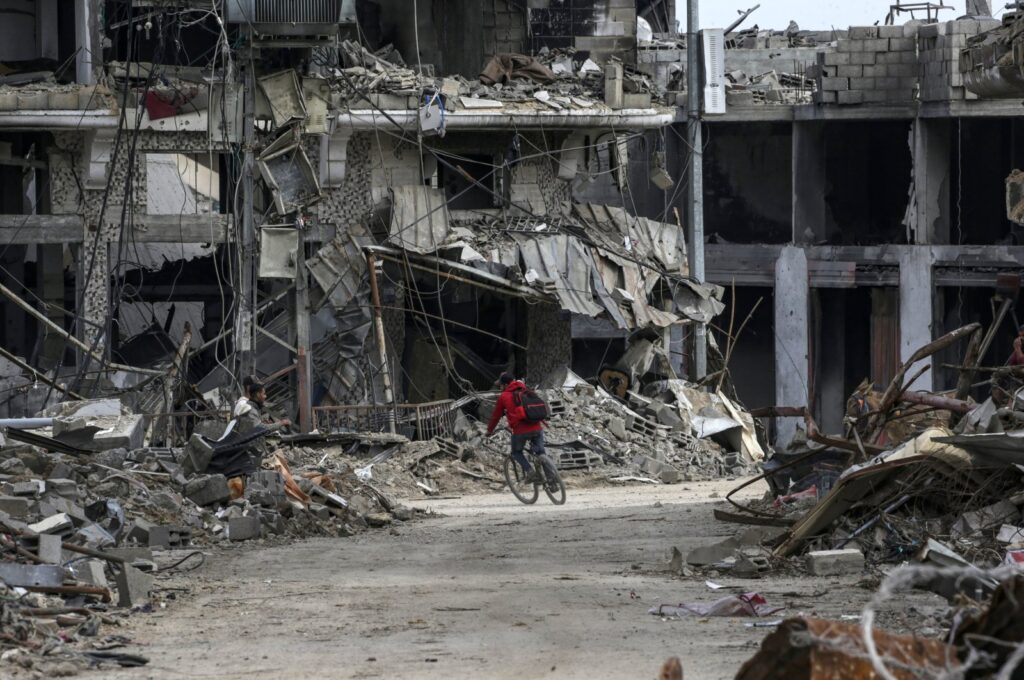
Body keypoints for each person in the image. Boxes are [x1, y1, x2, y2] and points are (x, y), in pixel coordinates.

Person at [486, 372, 547, 484]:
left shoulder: (503, 396)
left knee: (516, 452)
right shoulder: (526, 390)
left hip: (520, 431)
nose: (500, 387)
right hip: (537, 427)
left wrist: (489, 431)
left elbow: (495, 417)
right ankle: (552, 480)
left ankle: (530, 472)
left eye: (500, 385)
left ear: (505, 385)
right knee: (541, 453)